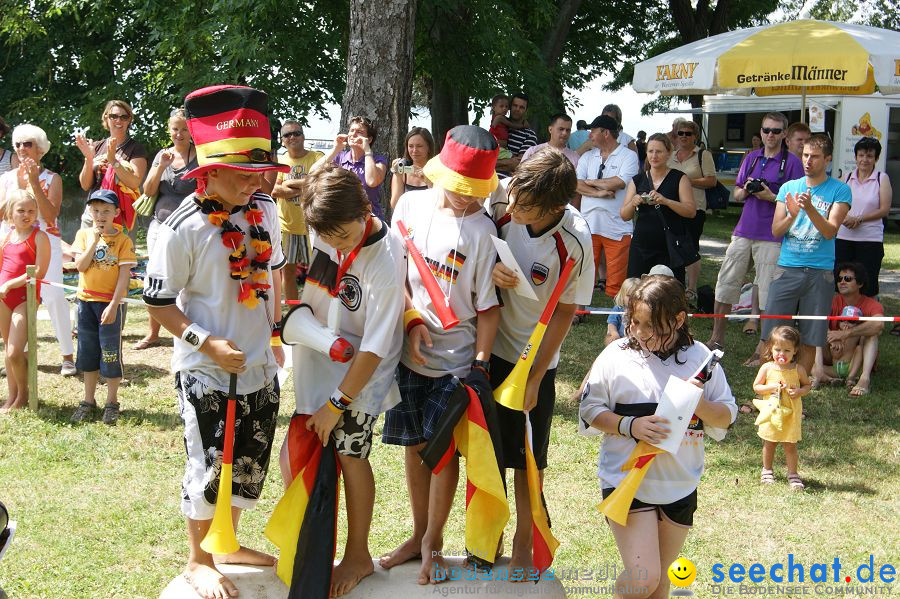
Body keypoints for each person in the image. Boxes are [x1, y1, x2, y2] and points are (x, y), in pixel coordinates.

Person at [142, 85, 287, 599]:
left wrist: (276, 332)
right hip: (205, 367)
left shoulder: (263, 211)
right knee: (207, 461)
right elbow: (157, 301)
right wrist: (207, 344)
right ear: (211, 171)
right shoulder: (182, 227)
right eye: (246, 173)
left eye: (261, 173)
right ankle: (198, 558)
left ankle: (229, 541)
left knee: (249, 459)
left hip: (259, 364)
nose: (258, 181)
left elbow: (272, 275)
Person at [379, 125, 500, 584]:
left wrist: (480, 366)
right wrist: (409, 322)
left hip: (456, 364)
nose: (465, 200)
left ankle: (433, 541)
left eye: (474, 193)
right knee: (413, 448)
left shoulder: (485, 232)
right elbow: (396, 278)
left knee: (442, 453)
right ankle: (416, 535)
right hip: (408, 355)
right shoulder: (408, 206)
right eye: (458, 189)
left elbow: (487, 310)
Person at [285, 163, 404, 596]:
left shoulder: (386, 259)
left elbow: (374, 348)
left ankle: (358, 554)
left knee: (352, 453)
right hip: (320, 352)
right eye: (329, 238)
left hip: (362, 372)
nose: (336, 245)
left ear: (364, 210)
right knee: (310, 445)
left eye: (344, 237)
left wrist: (337, 404)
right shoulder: (328, 225)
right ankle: (315, 543)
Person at [580, 275, 736, 599]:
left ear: (679, 319)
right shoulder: (616, 356)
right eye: (635, 322)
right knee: (642, 579)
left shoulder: (701, 359)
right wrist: (630, 426)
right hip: (627, 480)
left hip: (680, 485)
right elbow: (589, 409)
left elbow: (727, 416)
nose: (639, 332)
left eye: (651, 326)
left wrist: (699, 403)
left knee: (659, 585)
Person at [486, 147, 593, 575]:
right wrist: (492, 272)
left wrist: (534, 374)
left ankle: (524, 540)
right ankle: (487, 532)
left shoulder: (576, 239)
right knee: (489, 455)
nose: (511, 207)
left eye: (524, 205)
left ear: (555, 207)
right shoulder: (503, 199)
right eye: (513, 194)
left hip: (534, 360)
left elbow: (566, 310)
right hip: (489, 348)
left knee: (529, 459)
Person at [706, 113, 803, 359]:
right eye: (766, 130)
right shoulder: (751, 158)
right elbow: (737, 192)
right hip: (744, 230)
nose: (770, 135)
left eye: (775, 131)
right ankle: (716, 338)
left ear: (784, 134)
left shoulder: (792, 163)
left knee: (769, 293)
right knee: (725, 284)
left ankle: (764, 348)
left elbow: (795, 203)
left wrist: (770, 195)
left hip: (772, 235)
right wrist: (747, 190)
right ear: (761, 132)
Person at [762, 133, 851, 381]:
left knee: (811, 337)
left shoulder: (840, 190)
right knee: (772, 333)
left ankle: (797, 392)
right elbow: (776, 230)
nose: (808, 161)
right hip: (787, 268)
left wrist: (809, 208)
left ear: (828, 159)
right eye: (805, 155)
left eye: (814, 156)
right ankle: (770, 389)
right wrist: (792, 214)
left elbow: (830, 231)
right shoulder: (789, 188)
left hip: (819, 272)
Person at [0, 124, 76, 376]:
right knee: (7, 298)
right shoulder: (5, 179)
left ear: (40, 149)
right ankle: (13, 355)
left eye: (28, 144)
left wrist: (33, 182)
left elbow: (51, 216)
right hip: (12, 244)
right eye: (19, 144)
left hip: (45, 243)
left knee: (54, 297)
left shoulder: (52, 178)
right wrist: (16, 188)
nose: (22, 148)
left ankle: (67, 356)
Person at [69, 189, 137, 425]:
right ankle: (88, 400)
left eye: (106, 211)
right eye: (96, 210)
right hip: (85, 302)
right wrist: (94, 242)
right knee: (87, 352)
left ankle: (112, 401)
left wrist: (113, 305)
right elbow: (80, 266)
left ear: (116, 213)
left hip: (109, 305)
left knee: (109, 353)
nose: (100, 216)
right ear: (90, 212)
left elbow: (123, 277)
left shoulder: (123, 240)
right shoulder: (84, 235)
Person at [136, 108, 198, 350]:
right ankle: (153, 334)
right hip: (160, 226)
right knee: (156, 277)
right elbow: (149, 190)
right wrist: (160, 167)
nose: (179, 134)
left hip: (190, 229)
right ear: (169, 130)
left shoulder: (200, 156)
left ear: (191, 131)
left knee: (187, 279)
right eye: (175, 129)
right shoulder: (162, 155)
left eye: (184, 129)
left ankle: (188, 331)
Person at [575, 114, 640, 297]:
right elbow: (576, 184)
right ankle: (579, 311)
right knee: (584, 269)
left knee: (617, 275)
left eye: (593, 131)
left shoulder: (628, 156)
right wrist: (598, 192)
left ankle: (616, 315)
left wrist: (589, 181)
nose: (590, 136)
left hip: (617, 224)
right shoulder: (588, 156)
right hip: (588, 224)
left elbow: (619, 183)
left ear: (605, 133)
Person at [621, 133, 696, 283]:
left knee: (668, 292)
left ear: (668, 153)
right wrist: (633, 202)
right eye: (650, 151)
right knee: (636, 290)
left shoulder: (679, 178)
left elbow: (691, 211)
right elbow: (624, 215)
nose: (654, 156)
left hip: (668, 246)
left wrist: (666, 201)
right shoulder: (638, 180)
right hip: (641, 245)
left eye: (659, 151)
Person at [0, 189, 49, 412]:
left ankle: (23, 394)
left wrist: (11, 284)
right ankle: (12, 397)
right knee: (8, 351)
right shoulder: (6, 238)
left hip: (25, 297)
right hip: (4, 298)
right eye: (21, 210)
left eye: (31, 210)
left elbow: (38, 271)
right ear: (10, 213)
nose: (26, 214)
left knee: (14, 352)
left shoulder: (39, 236)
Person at [266, 120, 324, 302]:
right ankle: (293, 313)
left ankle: (316, 313)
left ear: (303, 136)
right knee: (288, 273)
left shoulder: (317, 157)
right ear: (282, 140)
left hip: (314, 226)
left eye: (296, 133)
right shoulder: (281, 160)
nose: (292, 137)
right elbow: (274, 190)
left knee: (320, 274)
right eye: (287, 135)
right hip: (287, 227)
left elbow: (320, 183)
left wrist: (288, 183)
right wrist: (306, 185)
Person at [752, 326, 810, 491]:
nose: (781, 354)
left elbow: (807, 386)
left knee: (789, 444)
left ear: (795, 351)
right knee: (769, 442)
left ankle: (793, 474)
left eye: (787, 350)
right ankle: (767, 470)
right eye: (778, 349)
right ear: (770, 347)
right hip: (772, 413)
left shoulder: (798, 369)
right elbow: (757, 387)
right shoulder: (767, 368)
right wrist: (771, 387)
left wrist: (799, 391)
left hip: (790, 414)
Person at [75, 99, 147, 229]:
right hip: (93, 212)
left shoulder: (135, 148)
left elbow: (135, 182)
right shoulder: (96, 146)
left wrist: (113, 161)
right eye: (113, 116)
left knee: (119, 250)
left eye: (124, 117)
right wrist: (89, 159)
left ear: (129, 121)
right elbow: (85, 185)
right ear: (106, 118)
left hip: (119, 214)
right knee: (85, 250)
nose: (118, 121)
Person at [816, 262, 884, 397]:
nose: (842, 282)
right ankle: (819, 373)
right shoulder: (831, 301)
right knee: (815, 332)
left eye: (847, 279)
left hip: (855, 359)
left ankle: (864, 379)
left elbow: (879, 325)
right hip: (831, 354)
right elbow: (814, 324)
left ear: (860, 283)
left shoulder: (872, 304)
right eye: (839, 279)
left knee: (872, 335)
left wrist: (845, 334)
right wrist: (831, 336)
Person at [835, 137, 892, 297]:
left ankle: (868, 319)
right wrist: (845, 217)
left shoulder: (882, 178)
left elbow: (884, 209)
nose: (864, 160)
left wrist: (859, 219)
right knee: (841, 282)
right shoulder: (845, 178)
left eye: (869, 156)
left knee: (867, 283)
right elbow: (836, 204)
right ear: (855, 157)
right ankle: (842, 318)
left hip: (870, 240)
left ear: (876, 158)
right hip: (844, 238)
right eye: (861, 155)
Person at [667, 119, 716, 305]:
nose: (684, 137)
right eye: (681, 133)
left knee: (691, 247)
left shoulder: (703, 155)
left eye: (688, 133)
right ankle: (675, 285)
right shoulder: (670, 155)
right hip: (672, 208)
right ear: (676, 135)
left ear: (695, 136)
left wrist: (685, 181)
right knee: (673, 247)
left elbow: (711, 181)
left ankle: (691, 288)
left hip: (695, 208)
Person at [321, 116, 388, 219]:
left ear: (369, 139)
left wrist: (367, 151)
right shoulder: (339, 158)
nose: (353, 134)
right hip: (343, 219)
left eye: (359, 132)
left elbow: (372, 181)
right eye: (351, 130)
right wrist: (336, 148)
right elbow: (313, 171)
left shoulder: (378, 160)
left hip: (370, 220)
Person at [390, 127, 435, 210]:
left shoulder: (437, 171)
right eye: (410, 146)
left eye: (419, 146)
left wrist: (429, 182)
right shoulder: (402, 171)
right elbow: (395, 205)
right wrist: (398, 176)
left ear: (429, 147)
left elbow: (440, 203)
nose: (414, 150)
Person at [495, 93, 537, 175]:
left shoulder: (529, 135)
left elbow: (520, 165)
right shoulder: (499, 125)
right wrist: (508, 162)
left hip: (508, 182)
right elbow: (482, 159)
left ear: (526, 110)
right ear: (510, 107)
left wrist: (492, 163)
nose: (517, 109)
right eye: (515, 105)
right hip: (486, 180)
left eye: (521, 107)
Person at [604, 277, 640, 347]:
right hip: (619, 337)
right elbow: (611, 324)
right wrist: (614, 333)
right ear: (623, 295)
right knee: (609, 339)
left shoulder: (641, 310)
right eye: (629, 296)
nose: (631, 299)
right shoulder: (618, 308)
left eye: (635, 296)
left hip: (635, 338)